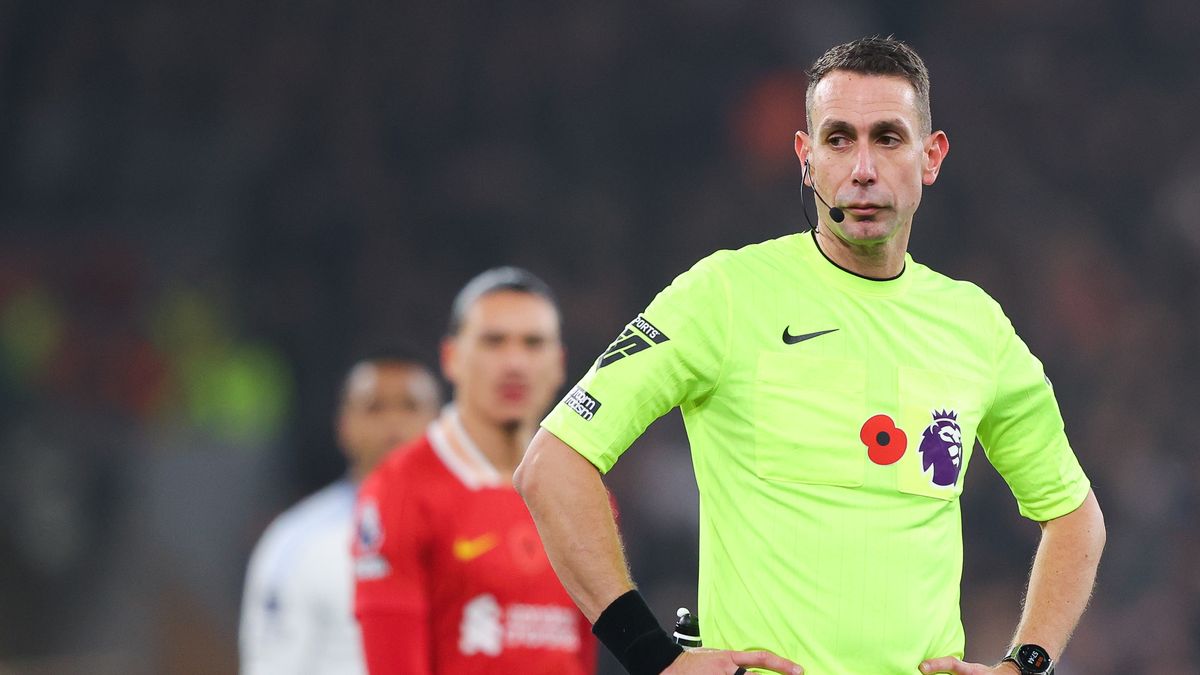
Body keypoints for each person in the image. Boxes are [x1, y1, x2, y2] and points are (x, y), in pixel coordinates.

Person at [515, 36, 1106, 675]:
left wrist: (1027, 663)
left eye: (888, 138)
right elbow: (553, 465)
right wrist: (651, 655)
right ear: (806, 157)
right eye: (838, 139)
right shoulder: (726, 294)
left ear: (930, 156)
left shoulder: (974, 325)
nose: (862, 168)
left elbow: (1074, 516)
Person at [352, 267, 597, 674]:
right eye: (493, 342)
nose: (515, 362)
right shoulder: (399, 488)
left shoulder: (585, 493)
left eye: (533, 344)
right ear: (452, 358)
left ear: (558, 364)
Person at [240, 352, 442, 675]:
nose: (393, 424)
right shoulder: (295, 541)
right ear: (344, 425)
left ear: (440, 424)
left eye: (410, 406)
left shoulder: (475, 528)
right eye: (374, 407)